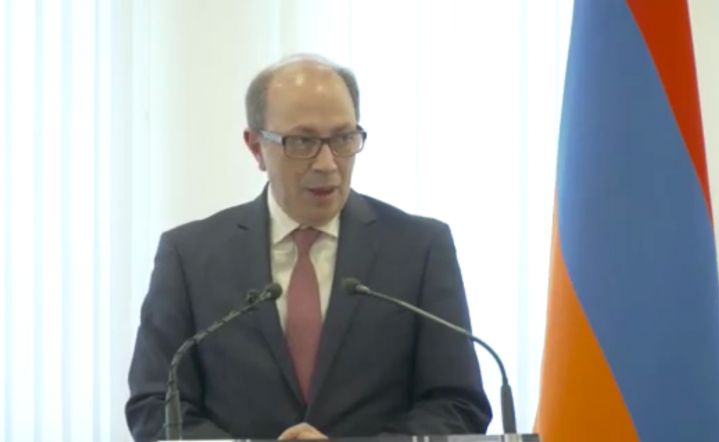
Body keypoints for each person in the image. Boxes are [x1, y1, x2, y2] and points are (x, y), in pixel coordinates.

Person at [126, 54, 492, 441]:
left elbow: (457, 404)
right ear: (255, 146)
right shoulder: (189, 255)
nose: (327, 164)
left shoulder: (419, 249)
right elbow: (155, 404)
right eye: (303, 142)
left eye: (343, 138)